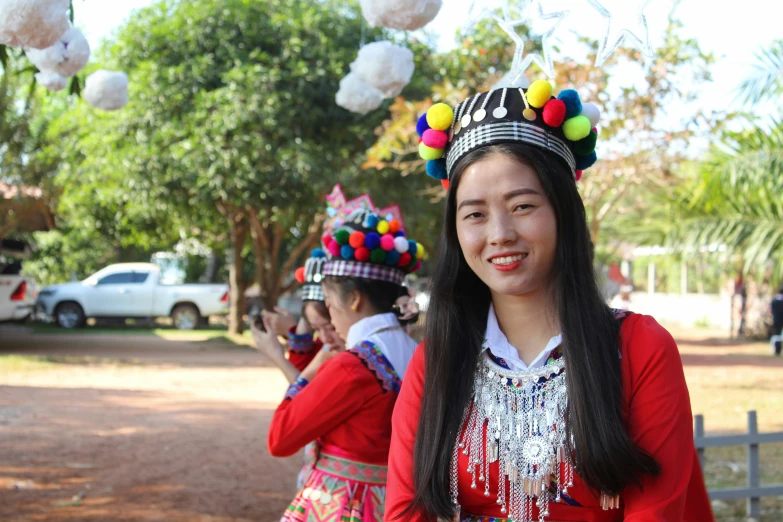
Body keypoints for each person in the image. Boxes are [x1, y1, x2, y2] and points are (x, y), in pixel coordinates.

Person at [385, 83, 714, 521]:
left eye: (522, 206)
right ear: (456, 232)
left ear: (564, 213)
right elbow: (406, 511)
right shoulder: (435, 362)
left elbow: (656, 512)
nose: (499, 233)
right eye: (475, 214)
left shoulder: (640, 348)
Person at [260, 207, 424, 522]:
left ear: (354, 300)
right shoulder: (418, 353)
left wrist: (306, 371)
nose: (333, 319)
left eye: (331, 305)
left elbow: (280, 439)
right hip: (403, 502)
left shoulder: (355, 366)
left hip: (348, 503)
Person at [253, 250, 344, 489]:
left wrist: (275, 354)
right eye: (316, 328)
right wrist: (300, 324)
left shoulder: (352, 357)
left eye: (330, 326)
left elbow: (308, 397)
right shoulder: (329, 345)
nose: (326, 336)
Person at [770, 285, 783, 356]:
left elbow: (772, 310)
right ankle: (778, 350)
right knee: (777, 335)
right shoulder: (777, 301)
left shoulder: (774, 301)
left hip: (776, 320)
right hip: (778, 321)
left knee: (777, 335)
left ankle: (777, 350)